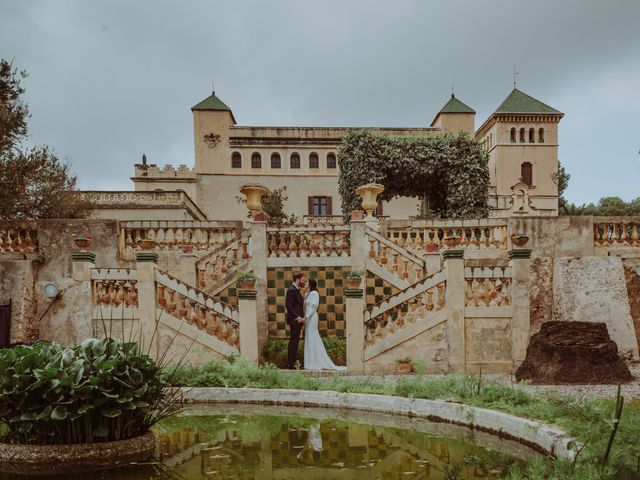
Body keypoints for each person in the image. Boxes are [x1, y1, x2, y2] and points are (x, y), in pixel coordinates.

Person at [303, 278, 347, 371]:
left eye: (306, 282)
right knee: (309, 337)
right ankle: (309, 362)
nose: (305, 283)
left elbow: (314, 308)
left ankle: (314, 362)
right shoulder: (306, 294)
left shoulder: (315, 293)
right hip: (306, 318)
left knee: (313, 336)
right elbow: (306, 307)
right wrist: (304, 317)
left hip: (311, 317)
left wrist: (306, 317)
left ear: (310, 284)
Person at [285, 272, 306, 369]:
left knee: (295, 341)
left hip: (298, 321)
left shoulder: (296, 290)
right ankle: (290, 363)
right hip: (295, 321)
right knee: (293, 341)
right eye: (302, 280)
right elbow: (288, 305)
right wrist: (297, 317)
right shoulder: (291, 290)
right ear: (297, 279)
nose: (303, 282)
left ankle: (292, 362)